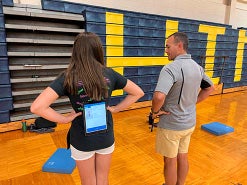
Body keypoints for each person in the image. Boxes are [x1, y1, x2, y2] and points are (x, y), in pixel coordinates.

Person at [30, 32, 144, 185]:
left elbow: (37, 107)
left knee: (88, 181)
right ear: (98, 50)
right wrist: (116, 109)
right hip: (105, 136)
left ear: (76, 52)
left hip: (81, 139)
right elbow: (138, 92)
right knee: (103, 179)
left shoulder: (68, 76)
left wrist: (64, 119)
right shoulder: (110, 73)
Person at [151, 32, 214, 185]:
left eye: (168, 46)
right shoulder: (197, 67)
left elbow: (159, 97)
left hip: (172, 125)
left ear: (179, 46)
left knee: (170, 161)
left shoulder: (170, 68)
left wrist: (154, 112)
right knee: (183, 156)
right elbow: (210, 88)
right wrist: (192, 103)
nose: (166, 50)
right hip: (189, 124)